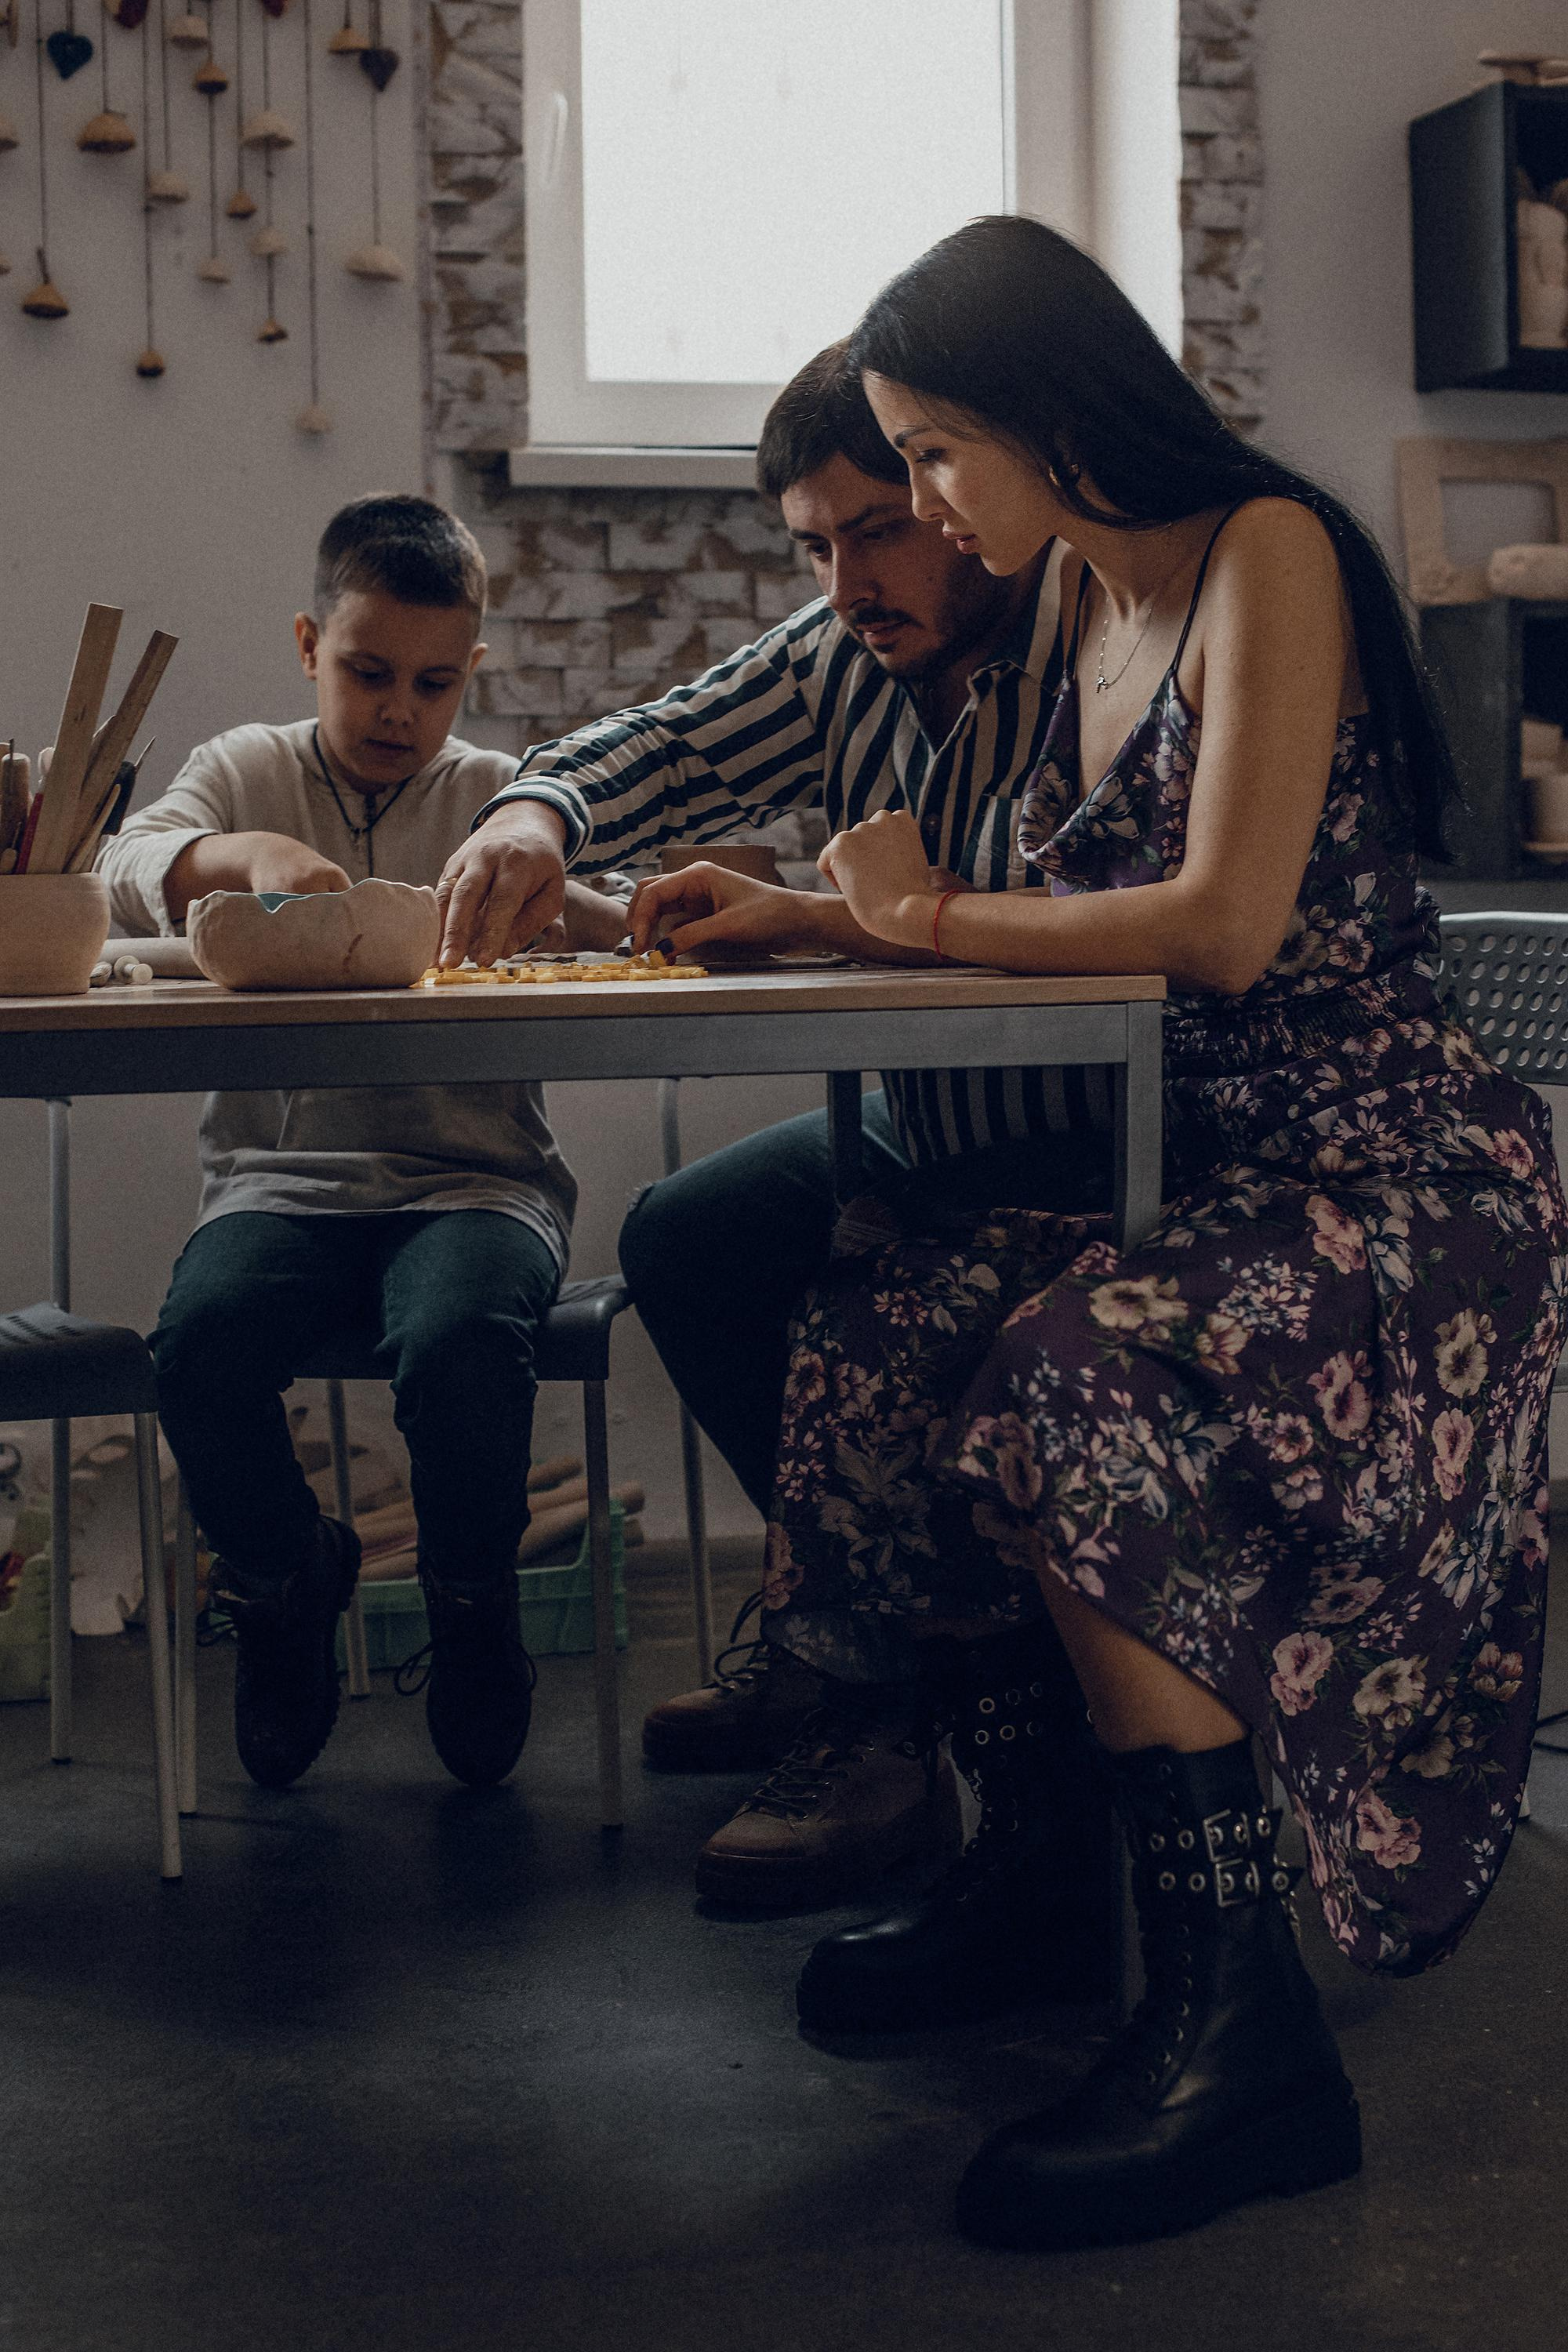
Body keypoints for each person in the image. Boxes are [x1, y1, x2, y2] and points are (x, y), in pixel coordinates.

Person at [629, 216, 1568, 2250]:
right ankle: (1036, 1874)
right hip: (1218, 1162)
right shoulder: (1071, 604)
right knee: (899, 1302)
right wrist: (802, 907)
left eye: (937, 458)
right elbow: (1010, 890)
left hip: (1388, 1181)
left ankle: (1247, 2041)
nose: (932, 515)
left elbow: (1221, 926)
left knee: (1071, 1368)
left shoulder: (1265, 555)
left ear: (1045, 417)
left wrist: (918, 919)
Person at [440, 343, 1119, 1989]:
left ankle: (877, 1705)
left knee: (876, 1303)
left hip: (1096, 1137)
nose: (847, 580)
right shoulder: (837, 655)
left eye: (878, 528)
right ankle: (842, 1638)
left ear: (971, 496)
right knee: (689, 1236)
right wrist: (532, 817)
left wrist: (814, 916)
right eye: (811, 545)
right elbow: (651, 746)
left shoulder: (1101, 649)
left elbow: (1083, 912)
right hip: (922, 1125)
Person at [99, 495, 626, 1795]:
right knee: (199, 1349)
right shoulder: (246, 764)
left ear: (473, 673)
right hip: (281, 1184)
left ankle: (470, 1606)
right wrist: (235, 853)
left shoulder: (498, 795)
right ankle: (287, 1584)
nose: (400, 709)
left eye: (435, 683)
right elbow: (127, 857)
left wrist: (630, 910)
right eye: (367, 673)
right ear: (306, 644)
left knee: (458, 1347)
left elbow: (591, 912)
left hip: (477, 1183)